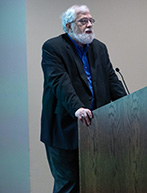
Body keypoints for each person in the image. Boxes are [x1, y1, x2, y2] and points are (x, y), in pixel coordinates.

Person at [40, 5, 127, 193]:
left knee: (97, 182)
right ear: (69, 26)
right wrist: (77, 107)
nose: (89, 25)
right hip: (64, 128)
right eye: (83, 21)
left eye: (90, 21)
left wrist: (130, 106)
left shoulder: (99, 48)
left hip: (97, 129)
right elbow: (59, 82)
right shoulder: (53, 48)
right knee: (69, 185)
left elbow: (111, 79)